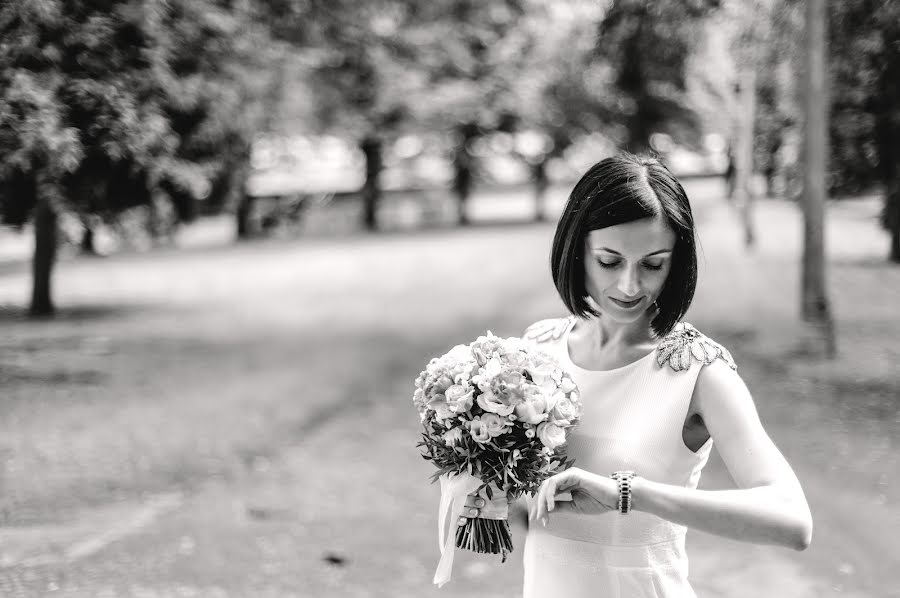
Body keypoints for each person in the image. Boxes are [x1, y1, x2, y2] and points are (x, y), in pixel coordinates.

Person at [459, 153, 812, 597]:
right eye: (609, 261)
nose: (629, 286)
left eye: (652, 263)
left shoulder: (697, 371)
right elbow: (529, 522)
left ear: (676, 262)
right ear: (576, 250)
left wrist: (629, 495)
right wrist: (484, 483)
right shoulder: (536, 351)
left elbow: (792, 522)